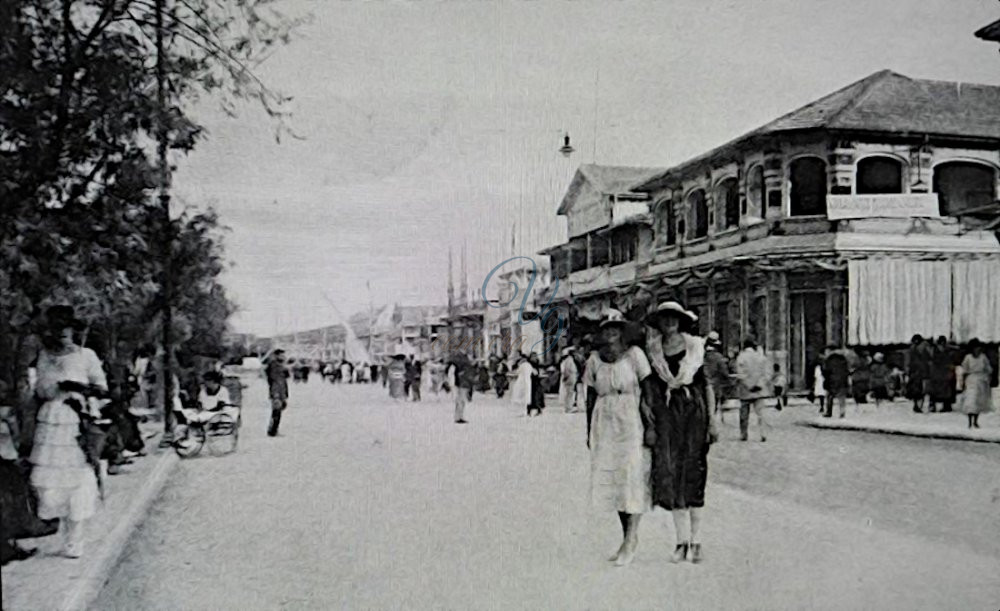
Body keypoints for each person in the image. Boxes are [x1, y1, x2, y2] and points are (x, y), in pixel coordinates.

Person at [29, 305, 107, 558]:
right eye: (56, 328)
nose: (61, 332)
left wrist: (79, 389)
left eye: (66, 328)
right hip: (50, 423)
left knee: (77, 478)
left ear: (73, 330)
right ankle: (62, 529)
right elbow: (39, 391)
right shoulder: (43, 356)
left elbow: (102, 389)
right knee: (50, 484)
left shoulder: (86, 356)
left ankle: (76, 538)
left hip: (76, 419)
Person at [644, 301, 717, 564]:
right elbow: (650, 390)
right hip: (667, 415)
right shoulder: (653, 351)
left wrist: (713, 420)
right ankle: (680, 541)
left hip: (694, 412)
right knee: (671, 471)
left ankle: (696, 541)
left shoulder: (696, 347)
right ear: (660, 324)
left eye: (674, 319)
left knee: (694, 471)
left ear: (681, 321)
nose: (669, 323)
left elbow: (706, 385)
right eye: (664, 319)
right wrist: (651, 423)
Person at [583, 309, 656, 567]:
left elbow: (648, 391)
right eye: (606, 328)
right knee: (615, 481)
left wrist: (650, 425)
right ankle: (626, 538)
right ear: (601, 332)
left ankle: (631, 540)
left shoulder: (635, 356)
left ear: (622, 330)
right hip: (604, 421)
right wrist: (588, 431)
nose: (610, 332)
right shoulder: (594, 360)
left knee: (631, 476)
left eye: (615, 327)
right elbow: (590, 396)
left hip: (630, 419)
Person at [734, 339, 772, 442]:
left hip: (746, 390)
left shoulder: (741, 357)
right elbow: (767, 373)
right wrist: (759, 384)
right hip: (759, 390)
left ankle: (744, 434)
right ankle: (763, 433)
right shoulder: (761, 357)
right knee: (760, 413)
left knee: (744, 414)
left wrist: (748, 385)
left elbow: (740, 374)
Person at [957, 339, 993, 429]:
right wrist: (962, 382)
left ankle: (976, 421)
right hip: (971, 380)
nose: (977, 349)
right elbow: (964, 370)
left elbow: (988, 369)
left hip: (981, 381)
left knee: (978, 401)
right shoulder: (968, 357)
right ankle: (969, 421)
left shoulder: (983, 357)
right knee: (971, 400)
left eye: (978, 347)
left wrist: (987, 376)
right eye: (975, 348)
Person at [702, 331, 731, 420]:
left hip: (701, 385)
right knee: (711, 410)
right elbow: (724, 372)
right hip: (714, 387)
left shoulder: (701, 355)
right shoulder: (718, 357)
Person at [928, 336, 956, 413]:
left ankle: (947, 405)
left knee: (946, 390)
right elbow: (934, 360)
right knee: (935, 389)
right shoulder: (934, 351)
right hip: (937, 373)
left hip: (945, 373)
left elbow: (950, 361)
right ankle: (932, 405)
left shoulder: (948, 351)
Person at [266, 349, 289, 437]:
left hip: (281, 391)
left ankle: (273, 430)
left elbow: (286, 377)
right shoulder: (274, 365)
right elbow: (274, 380)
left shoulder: (280, 365)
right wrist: (276, 394)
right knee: (276, 412)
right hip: (276, 392)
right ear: (277, 355)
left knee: (277, 412)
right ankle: (272, 431)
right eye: (282, 355)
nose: (284, 357)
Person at [822, 347, 850, 419]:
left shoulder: (829, 360)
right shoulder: (843, 359)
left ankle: (829, 412)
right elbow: (847, 370)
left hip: (831, 380)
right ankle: (842, 412)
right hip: (842, 380)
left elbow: (825, 370)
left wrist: (826, 378)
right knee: (841, 397)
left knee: (829, 396)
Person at [906, 335, 931, 413]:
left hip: (920, 372)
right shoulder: (913, 348)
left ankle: (918, 405)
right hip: (917, 372)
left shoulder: (924, 348)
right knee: (917, 390)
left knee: (920, 390)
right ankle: (917, 405)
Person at [449, 353, 474, 424]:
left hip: (461, 385)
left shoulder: (458, 367)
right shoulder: (463, 368)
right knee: (461, 401)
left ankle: (459, 416)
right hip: (462, 385)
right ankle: (458, 417)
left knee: (461, 401)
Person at [558, 348, 579, 413]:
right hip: (570, 378)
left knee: (570, 394)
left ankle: (569, 407)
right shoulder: (569, 360)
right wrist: (566, 377)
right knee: (569, 394)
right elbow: (566, 370)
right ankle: (568, 408)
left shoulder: (570, 360)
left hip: (571, 378)